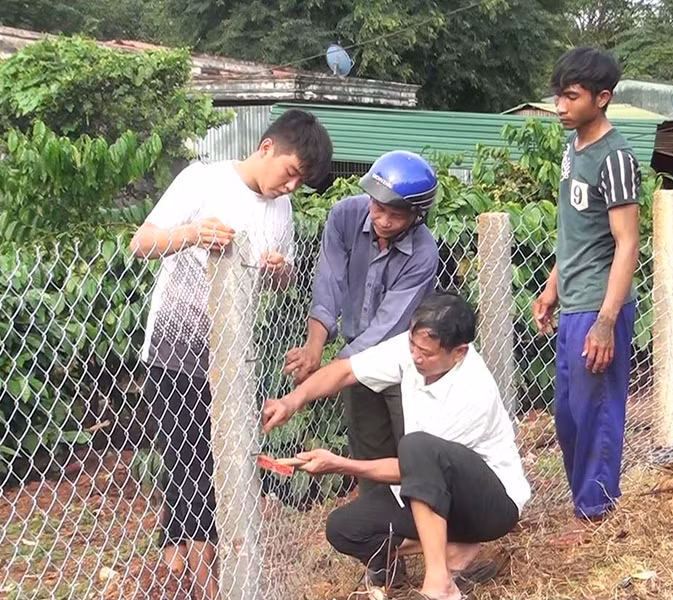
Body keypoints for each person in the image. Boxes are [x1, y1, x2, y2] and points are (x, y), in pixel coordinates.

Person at [129, 108, 332, 597]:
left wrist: (279, 269)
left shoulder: (281, 210)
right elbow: (142, 242)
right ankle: (206, 581)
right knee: (189, 462)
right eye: (289, 174)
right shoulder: (203, 181)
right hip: (178, 346)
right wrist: (195, 234)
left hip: (235, 355)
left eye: (299, 183)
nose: (290, 188)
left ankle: (182, 563)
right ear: (266, 148)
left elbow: (280, 284)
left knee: (223, 458)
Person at [265, 292, 530, 600]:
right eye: (413, 346)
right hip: (433, 493)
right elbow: (346, 371)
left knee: (416, 447)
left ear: (458, 353)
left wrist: (339, 465)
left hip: (489, 503)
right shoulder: (413, 348)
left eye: (426, 353)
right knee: (344, 528)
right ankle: (454, 549)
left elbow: (412, 470)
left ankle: (439, 584)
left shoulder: (472, 390)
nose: (416, 356)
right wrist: (290, 401)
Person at [283, 150, 440, 498]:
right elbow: (329, 283)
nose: (382, 220)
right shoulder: (345, 216)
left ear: (417, 215)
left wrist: (326, 376)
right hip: (353, 354)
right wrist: (314, 348)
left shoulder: (424, 253)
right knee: (367, 452)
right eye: (377, 208)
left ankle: (425, 532)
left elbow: (387, 327)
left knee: (413, 452)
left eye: (395, 215)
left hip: (404, 360)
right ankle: (379, 540)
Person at [533, 47, 641, 546]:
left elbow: (626, 243)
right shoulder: (572, 149)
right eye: (558, 95)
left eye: (571, 96)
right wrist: (552, 287)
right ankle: (587, 504)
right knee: (569, 414)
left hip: (600, 309)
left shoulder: (615, 157)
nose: (560, 105)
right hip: (573, 302)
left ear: (602, 98)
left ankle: (595, 514)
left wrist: (605, 319)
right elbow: (575, 232)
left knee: (596, 412)